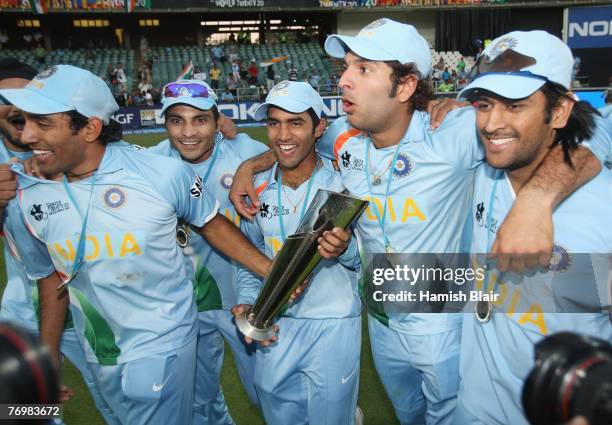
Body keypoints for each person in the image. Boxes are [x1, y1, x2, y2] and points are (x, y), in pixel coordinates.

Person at [228, 19, 608, 425]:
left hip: (444, 316)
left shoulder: (453, 131)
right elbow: (293, 141)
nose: (344, 81)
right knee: (408, 415)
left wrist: (535, 199)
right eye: (346, 68)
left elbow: (592, 134)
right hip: (381, 318)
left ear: (406, 86)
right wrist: (249, 167)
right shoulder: (342, 133)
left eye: (363, 69)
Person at [0, 64, 272, 425]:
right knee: (30, 415)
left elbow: (213, 223)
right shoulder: (21, 191)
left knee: (243, 393)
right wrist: (48, 356)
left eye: (43, 122)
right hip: (77, 335)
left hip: (167, 336)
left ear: (91, 127)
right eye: (24, 120)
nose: (27, 135)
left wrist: (273, 272)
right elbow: (49, 276)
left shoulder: (160, 171)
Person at [453, 30, 612, 425]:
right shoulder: (481, 172)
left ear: (559, 111)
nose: (492, 123)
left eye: (514, 105)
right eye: (484, 104)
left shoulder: (603, 210)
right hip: (473, 407)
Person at [232, 81, 362, 425]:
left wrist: (345, 251)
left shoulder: (344, 185)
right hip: (275, 325)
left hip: (332, 325)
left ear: (319, 127)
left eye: (295, 123)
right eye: (274, 123)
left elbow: (366, 259)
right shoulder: (255, 189)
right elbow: (250, 252)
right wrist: (249, 301)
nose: (282, 135)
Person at [0, 58, 119, 424]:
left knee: (118, 406)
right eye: (8, 100)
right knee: (28, 413)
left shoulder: (74, 147)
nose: (20, 108)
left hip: (91, 310)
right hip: (26, 313)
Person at [148, 79, 269, 424]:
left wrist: (251, 165)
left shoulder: (242, 149)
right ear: (166, 123)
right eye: (177, 120)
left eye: (200, 120)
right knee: (201, 401)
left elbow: (297, 146)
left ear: (218, 122)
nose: (188, 132)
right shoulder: (151, 162)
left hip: (246, 296)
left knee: (266, 392)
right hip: (187, 305)